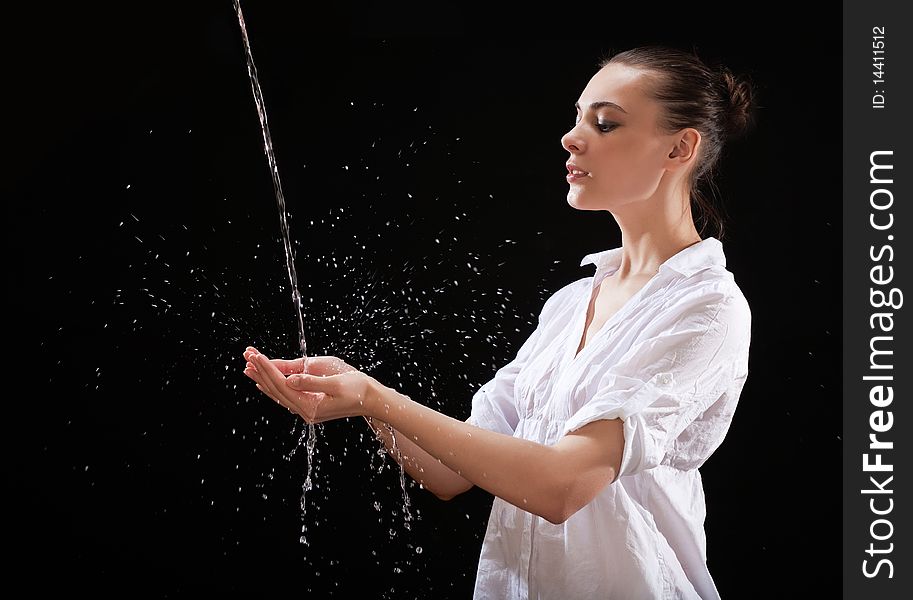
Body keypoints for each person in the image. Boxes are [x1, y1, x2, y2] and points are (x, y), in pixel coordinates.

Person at [242, 44, 757, 599]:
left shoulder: (705, 309)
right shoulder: (570, 304)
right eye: (577, 117)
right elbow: (451, 472)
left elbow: (560, 486)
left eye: (605, 124)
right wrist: (354, 391)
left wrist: (375, 398)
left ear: (680, 147)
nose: (572, 137)